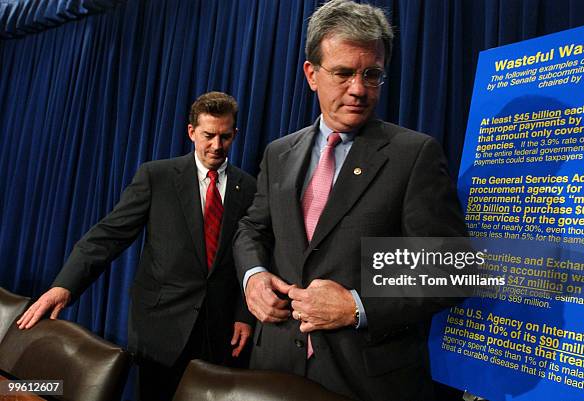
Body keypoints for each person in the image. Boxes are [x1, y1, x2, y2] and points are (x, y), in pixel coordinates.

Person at [232, 1, 467, 400]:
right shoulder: (279, 152)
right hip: (274, 365)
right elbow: (252, 228)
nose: (359, 89)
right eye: (343, 73)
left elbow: (450, 270)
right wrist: (252, 277)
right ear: (312, 74)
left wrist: (357, 306)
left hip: (366, 379)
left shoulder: (414, 154)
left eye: (371, 74)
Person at [17, 92, 257, 401]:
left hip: (220, 330)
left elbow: (251, 257)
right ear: (191, 132)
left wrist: (244, 315)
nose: (216, 145)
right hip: (161, 329)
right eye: (208, 135)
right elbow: (108, 236)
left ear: (235, 134)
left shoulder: (248, 187)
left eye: (225, 136)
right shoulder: (157, 177)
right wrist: (65, 286)